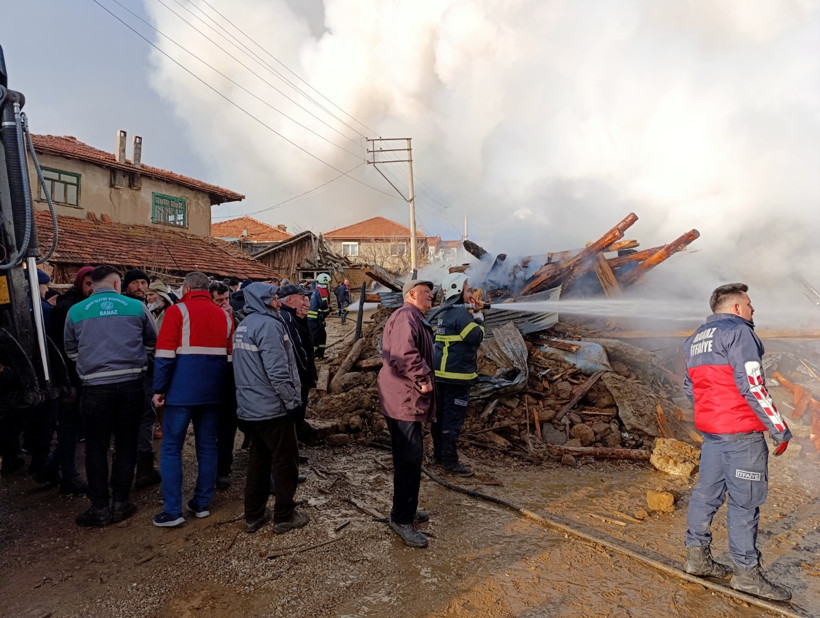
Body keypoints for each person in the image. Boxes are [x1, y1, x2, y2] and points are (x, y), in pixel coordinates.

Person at [683, 283, 793, 601]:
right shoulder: (739, 332)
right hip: (741, 433)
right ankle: (747, 574)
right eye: (749, 303)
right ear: (736, 307)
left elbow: (691, 388)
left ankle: (697, 558)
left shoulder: (694, 339)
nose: (752, 308)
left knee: (706, 494)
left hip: (713, 432)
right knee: (745, 502)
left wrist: (712, 416)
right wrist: (779, 428)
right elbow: (752, 384)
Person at [64, 264, 157, 526]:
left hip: (94, 388)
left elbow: (70, 350)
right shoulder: (136, 307)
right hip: (131, 385)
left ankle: (100, 508)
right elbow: (152, 341)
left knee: (96, 447)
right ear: (118, 284)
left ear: (92, 284)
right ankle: (120, 503)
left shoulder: (76, 311)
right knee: (126, 444)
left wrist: (92, 364)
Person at [152, 272, 234, 527]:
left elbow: (165, 355)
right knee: (208, 446)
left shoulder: (177, 312)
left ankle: (172, 511)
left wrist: (159, 389)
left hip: (180, 393)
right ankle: (202, 504)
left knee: (171, 448)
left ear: (186, 288)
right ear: (208, 290)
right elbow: (229, 360)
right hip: (213, 392)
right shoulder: (225, 316)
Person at [233, 283, 308, 535]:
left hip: (251, 407)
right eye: (274, 298)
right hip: (273, 407)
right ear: (263, 300)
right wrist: (292, 402)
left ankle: (253, 515)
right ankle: (284, 516)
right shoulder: (269, 326)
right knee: (286, 462)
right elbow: (278, 371)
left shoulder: (245, 325)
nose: (278, 302)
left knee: (259, 461)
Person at [377, 279, 436, 548]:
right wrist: (423, 378)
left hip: (404, 398)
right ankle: (401, 519)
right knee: (409, 458)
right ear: (411, 294)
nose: (431, 296)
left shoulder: (412, 317)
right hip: (404, 399)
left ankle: (406, 509)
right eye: (426, 292)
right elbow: (403, 354)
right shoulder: (405, 317)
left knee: (409, 457)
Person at [429, 273, 485, 476]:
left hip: (440, 376)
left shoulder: (446, 312)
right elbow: (476, 337)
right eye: (468, 290)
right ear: (458, 290)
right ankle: (450, 461)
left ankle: (438, 455)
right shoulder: (461, 315)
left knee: (439, 417)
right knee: (452, 419)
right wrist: (479, 317)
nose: (470, 293)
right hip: (457, 377)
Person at [123, 271, 162, 490]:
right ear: (125, 285)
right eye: (134, 283)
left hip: (137, 371)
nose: (139, 286)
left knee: (141, 419)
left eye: (143, 282)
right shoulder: (133, 307)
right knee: (143, 419)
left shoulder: (144, 305)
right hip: (137, 371)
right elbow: (151, 340)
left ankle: (133, 472)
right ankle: (143, 471)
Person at [209, 280, 240, 489]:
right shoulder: (206, 319)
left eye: (227, 299)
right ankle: (210, 469)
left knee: (228, 426)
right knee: (210, 427)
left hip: (231, 379)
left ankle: (223, 469)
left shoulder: (235, 316)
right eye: (219, 300)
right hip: (209, 380)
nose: (225, 303)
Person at [279, 283, 318, 446]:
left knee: (299, 413)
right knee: (293, 415)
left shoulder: (299, 319)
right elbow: (296, 353)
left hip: (302, 377)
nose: (307, 303)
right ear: (289, 300)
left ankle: (295, 443)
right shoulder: (287, 319)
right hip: (296, 378)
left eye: (308, 299)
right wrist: (305, 374)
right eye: (303, 299)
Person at [308, 273, 332, 358]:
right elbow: (323, 305)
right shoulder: (322, 291)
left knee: (322, 335)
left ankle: (319, 354)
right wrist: (328, 311)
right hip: (316, 318)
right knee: (316, 337)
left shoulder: (316, 290)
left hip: (313, 317)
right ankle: (312, 355)